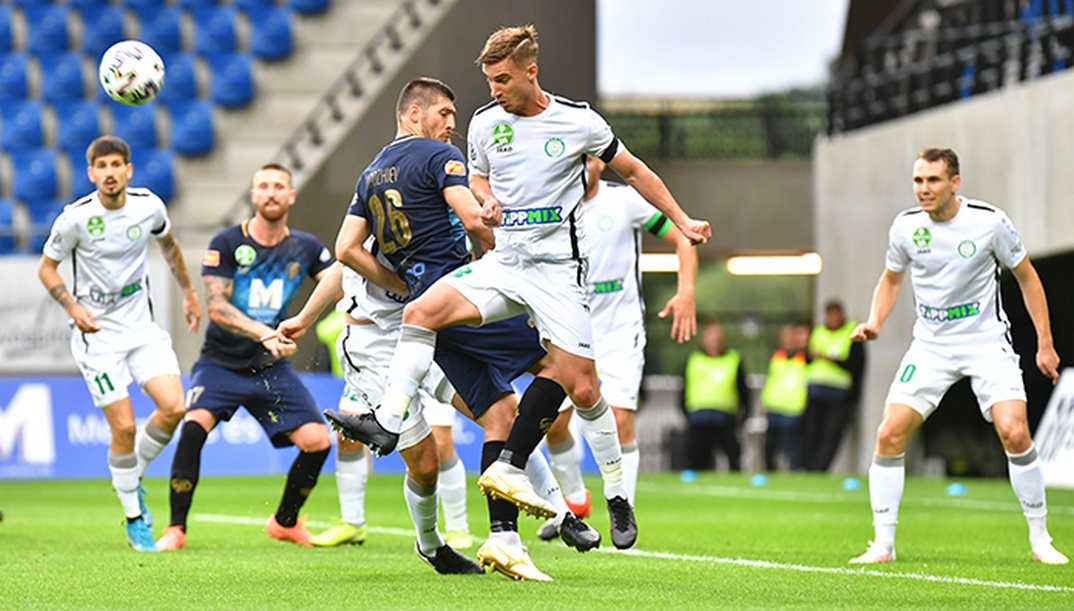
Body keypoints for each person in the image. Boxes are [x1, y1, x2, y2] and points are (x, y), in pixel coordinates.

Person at [329, 24, 710, 554]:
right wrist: (485, 200)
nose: (494, 91)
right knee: (421, 312)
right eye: (489, 80)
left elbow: (635, 170)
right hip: (505, 263)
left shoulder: (578, 121)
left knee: (581, 389)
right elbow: (478, 180)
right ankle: (389, 424)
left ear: (532, 72)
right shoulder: (485, 124)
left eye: (503, 79)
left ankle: (617, 496)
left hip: (558, 273)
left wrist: (682, 219)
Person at [303, 77, 600, 579]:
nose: (452, 124)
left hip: (425, 324)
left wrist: (403, 286)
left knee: (502, 413)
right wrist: (525, 257)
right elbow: (471, 221)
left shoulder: (372, 175)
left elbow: (348, 247)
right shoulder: (439, 160)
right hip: (420, 322)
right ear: (413, 114)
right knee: (557, 368)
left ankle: (513, 534)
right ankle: (453, 534)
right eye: (444, 113)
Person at [848, 147, 1067, 565]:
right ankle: (883, 546)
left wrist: (1045, 343)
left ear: (955, 183)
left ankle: (1041, 540)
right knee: (888, 434)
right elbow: (891, 279)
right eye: (918, 180)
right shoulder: (906, 227)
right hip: (931, 346)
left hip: (986, 342)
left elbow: (1028, 278)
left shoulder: (989, 223)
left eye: (933, 180)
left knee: (1014, 432)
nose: (923, 189)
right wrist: (875, 321)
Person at [153, 163, 336, 552]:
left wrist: (307, 320)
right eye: (263, 186)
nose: (271, 192)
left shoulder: (305, 247)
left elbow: (339, 282)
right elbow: (217, 308)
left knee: (318, 441)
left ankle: (284, 522)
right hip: (220, 363)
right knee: (193, 427)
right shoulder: (226, 242)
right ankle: (175, 529)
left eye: (279, 186)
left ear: (291, 196)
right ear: (253, 195)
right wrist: (265, 332)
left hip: (270, 367)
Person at [37, 135, 202, 552]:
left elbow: (169, 247)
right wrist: (73, 307)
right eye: (101, 166)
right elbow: (47, 268)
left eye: (116, 165)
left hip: (141, 329)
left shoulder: (149, 206)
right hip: (97, 337)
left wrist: (189, 292)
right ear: (91, 173)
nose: (109, 173)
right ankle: (134, 518)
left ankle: (129, 477)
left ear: (129, 170)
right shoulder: (75, 219)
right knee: (125, 427)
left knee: (174, 407)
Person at [539, 156, 697, 536]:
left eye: (588, 157)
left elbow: (682, 235)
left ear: (601, 161)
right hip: (570, 329)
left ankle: (623, 513)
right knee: (554, 423)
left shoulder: (626, 200)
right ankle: (575, 501)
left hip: (620, 329)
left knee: (620, 419)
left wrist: (687, 291)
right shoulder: (552, 207)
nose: (582, 165)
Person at [799, 300, 865, 472]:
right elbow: (807, 358)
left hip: (839, 393)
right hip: (816, 391)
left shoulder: (851, 332)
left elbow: (856, 364)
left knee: (831, 434)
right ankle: (809, 467)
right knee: (811, 432)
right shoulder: (818, 331)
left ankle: (820, 469)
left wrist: (830, 359)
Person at [682, 321, 748, 471]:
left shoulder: (733, 359)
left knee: (733, 456)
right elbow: (684, 388)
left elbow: (743, 389)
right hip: (698, 418)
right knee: (697, 459)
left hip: (724, 418)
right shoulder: (694, 360)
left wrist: (744, 414)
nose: (714, 342)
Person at [760, 323, 810, 471]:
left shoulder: (804, 358)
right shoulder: (777, 358)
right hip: (774, 407)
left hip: (793, 409)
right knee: (770, 447)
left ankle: (797, 470)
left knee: (791, 446)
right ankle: (770, 472)